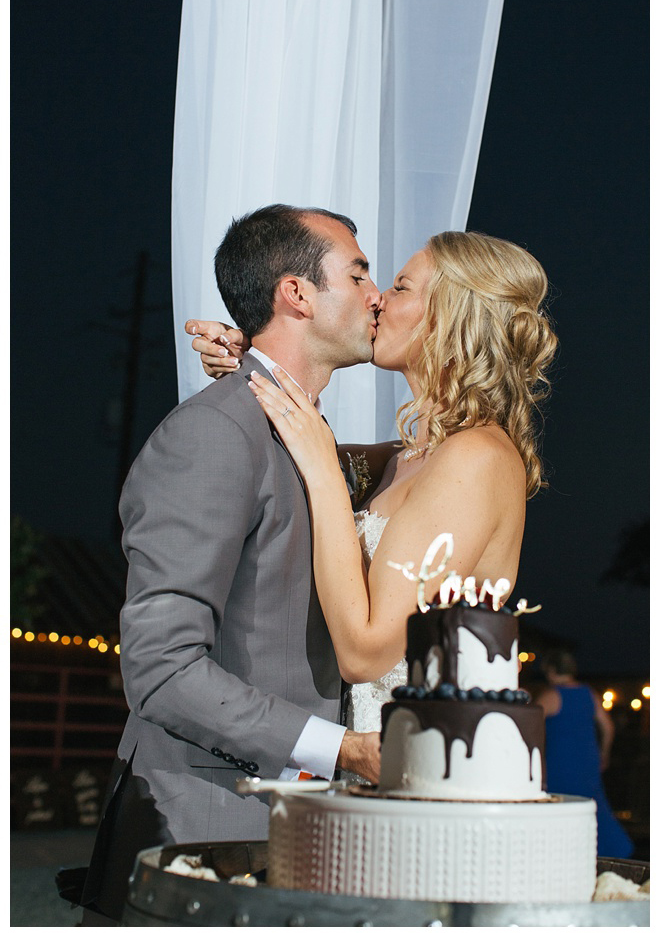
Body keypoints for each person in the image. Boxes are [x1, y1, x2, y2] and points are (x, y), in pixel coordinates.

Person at [78, 204, 383, 924]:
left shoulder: (301, 432)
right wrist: (345, 750)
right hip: (197, 830)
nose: (376, 296)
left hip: (290, 832)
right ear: (296, 293)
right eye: (359, 274)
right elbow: (162, 669)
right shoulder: (215, 433)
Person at [187, 230, 558, 734]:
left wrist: (323, 468)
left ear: (451, 315)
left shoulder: (477, 459)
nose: (379, 298)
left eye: (401, 287)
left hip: (409, 757)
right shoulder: (403, 459)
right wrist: (253, 360)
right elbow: (288, 455)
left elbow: (365, 655)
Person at [536, 649, 634, 858]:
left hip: (560, 761)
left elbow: (529, 724)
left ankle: (564, 854)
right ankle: (614, 851)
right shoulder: (588, 693)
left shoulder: (552, 695)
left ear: (551, 670)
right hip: (588, 759)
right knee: (592, 807)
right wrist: (604, 753)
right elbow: (608, 727)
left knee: (561, 807)